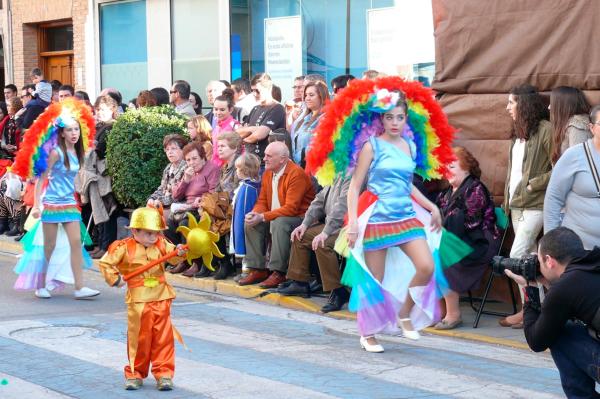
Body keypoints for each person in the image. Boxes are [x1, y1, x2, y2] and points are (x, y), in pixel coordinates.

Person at [345, 90, 442, 352]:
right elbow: (354, 187)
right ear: (382, 120)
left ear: (406, 117)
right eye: (389, 118)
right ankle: (368, 333)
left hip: (406, 217)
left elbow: (408, 185)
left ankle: (405, 313)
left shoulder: (409, 146)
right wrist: (353, 222)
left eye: (400, 117)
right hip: (377, 218)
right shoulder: (371, 146)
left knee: (426, 266)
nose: (395, 122)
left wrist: (431, 206)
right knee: (375, 279)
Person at [13, 99, 100, 299]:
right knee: (49, 247)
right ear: (61, 133)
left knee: (76, 243)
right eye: (69, 130)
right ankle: (41, 285)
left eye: (76, 129)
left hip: (69, 204)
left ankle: (79, 288)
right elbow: (42, 178)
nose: (74, 133)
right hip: (51, 204)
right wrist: (36, 205)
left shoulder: (77, 152)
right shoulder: (55, 152)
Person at [504, 227, 600, 398]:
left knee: (561, 333)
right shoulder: (592, 264)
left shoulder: (565, 288)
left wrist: (530, 288)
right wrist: (549, 285)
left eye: (539, 262)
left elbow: (537, 341)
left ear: (549, 261)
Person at [99, 206, 186, 391]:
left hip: (161, 297)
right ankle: (134, 373)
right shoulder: (122, 247)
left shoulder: (162, 244)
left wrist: (180, 252)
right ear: (134, 231)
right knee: (139, 338)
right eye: (148, 233)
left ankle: (164, 374)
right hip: (138, 300)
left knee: (163, 338)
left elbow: (174, 259)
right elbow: (106, 263)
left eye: (156, 233)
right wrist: (116, 279)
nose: (153, 237)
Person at [500, 84, 553, 329]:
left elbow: (559, 167)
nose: (508, 107)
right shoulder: (519, 134)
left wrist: (534, 185)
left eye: (511, 102)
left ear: (524, 104)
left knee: (515, 258)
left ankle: (543, 306)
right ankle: (530, 310)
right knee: (530, 259)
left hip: (535, 204)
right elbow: (514, 173)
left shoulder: (546, 130)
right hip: (516, 205)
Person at [434, 147, 501, 329]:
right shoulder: (446, 193)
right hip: (458, 239)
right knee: (426, 251)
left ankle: (453, 314)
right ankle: (439, 311)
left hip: (480, 241)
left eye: (452, 166)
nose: (447, 170)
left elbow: (470, 224)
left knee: (441, 253)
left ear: (466, 168)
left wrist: (442, 223)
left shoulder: (476, 189)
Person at [239, 141, 315, 288]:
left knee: (279, 223)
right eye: (265, 155)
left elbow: (291, 209)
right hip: (278, 215)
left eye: (269, 156)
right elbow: (262, 201)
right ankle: (257, 269)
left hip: (300, 218)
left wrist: (263, 216)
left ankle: (278, 272)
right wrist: (255, 213)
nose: (264, 159)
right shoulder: (268, 172)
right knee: (251, 223)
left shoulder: (296, 173)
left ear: (282, 159)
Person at [279, 175, 351, 313]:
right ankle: (299, 282)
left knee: (322, 243)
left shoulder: (351, 174)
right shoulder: (336, 173)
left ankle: (338, 291)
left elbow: (343, 206)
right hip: (332, 225)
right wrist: (305, 224)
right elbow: (319, 200)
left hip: (346, 227)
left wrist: (326, 231)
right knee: (301, 236)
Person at [544, 104, 600, 250]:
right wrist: (551, 244)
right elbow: (553, 198)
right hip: (580, 249)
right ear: (591, 128)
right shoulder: (574, 155)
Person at [167, 142, 220, 274]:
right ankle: (183, 260)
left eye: (194, 158)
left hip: (203, 207)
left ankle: (196, 262)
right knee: (168, 224)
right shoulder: (188, 171)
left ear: (202, 157)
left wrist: (202, 199)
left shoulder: (212, 169)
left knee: (185, 223)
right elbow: (176, 195)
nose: (191, 162)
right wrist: (186, 179)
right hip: (187, 206)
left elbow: (214, 191)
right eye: (188, 159)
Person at [80, 95, 120, 259]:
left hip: (105, 174)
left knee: (107, 210)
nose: (100, 113)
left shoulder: (114, 127)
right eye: (98, 110)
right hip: (95, 172)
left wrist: (93, 146)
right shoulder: (99, 127)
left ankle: (107, 246)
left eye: (103, 109)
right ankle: (101, 245)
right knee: (98, 210)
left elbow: (101, 149)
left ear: (112, 109)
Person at [236, 73, 286, 166]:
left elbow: (259, 135)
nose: (254, 94)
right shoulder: (255, 108)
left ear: (269, 88)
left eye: (258, 91)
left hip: (266, 163)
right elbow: (239, 132)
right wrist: (253, 129)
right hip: (249, 163)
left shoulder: (277, 108)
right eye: (252, 90)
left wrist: (246, 136)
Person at [230, 153, 261, 279]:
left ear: (245, 170)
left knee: (246, 246)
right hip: (238, 219)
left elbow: (245, 209)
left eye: (238, 169)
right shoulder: (246, 185)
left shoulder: (248, 188)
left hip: (243, 222)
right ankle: (245, 271)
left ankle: (247, 272)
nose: (237, 171)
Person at [147, 134, 188, 214]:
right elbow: (162, 188)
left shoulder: (186, 168)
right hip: (164, 205)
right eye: (167, 149)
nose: (170, 152)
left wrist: (159, 200)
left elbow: (179, 196)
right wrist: (151, 198)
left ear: (183, 150)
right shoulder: (168, 168)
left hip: (178, 207)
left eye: (173, 148)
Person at [549, 86, 591, 164]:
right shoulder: (567, 126)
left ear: (562, 107)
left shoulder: (577, 129)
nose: (549, 107)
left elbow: (579, 166)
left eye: (552, 104)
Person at [291, 81, 328, 167]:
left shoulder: (326, 119)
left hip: (316, 172)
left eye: (311, 95)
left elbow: (318, 148)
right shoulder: (303, 118)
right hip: (299, 169)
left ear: (321, 96)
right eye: (306, 95)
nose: (307, 98)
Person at [211, 88, 241, 166]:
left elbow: (241, 150)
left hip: (230, 167)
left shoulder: (235, 125)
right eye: (216, 109)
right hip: (216, 166)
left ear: (230, 110)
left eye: (222, 110)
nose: (218, 112)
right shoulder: (217, 125)